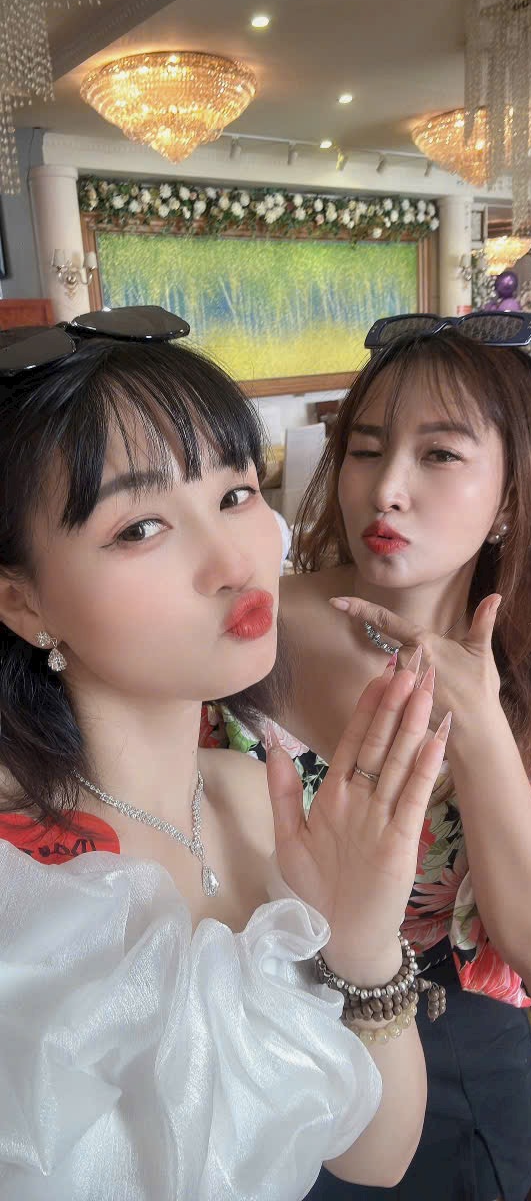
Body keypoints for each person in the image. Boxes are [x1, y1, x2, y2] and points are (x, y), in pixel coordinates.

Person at [0, 306, 452, 1201]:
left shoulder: (257, 795)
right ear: (23, 604)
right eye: (140, 528)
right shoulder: (17, 872)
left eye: (235, 494)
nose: (234, 563)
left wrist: (364, 944)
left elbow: (375, 1159)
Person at [220, 314, 531, 1201]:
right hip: (248, 1049)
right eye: (365, 449)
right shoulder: (245, 629)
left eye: (439, 455)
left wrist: (479, 723)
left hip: (447, 1059)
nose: (385, 488)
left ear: (511, 497)